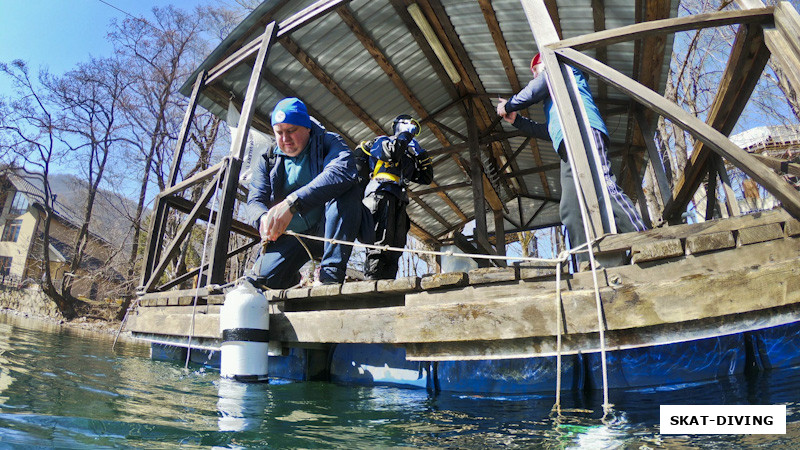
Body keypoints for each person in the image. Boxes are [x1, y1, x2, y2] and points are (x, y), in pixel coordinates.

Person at [497, 53, 646, 264]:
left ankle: (644, 237)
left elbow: (537, 87)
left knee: (603, 186)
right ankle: (586, 261)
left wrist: (509, 105)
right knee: (570, 206)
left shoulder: (564, 70)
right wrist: (517, 121)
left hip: (584, 130)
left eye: (535, 70)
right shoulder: (554, 100)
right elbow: (549, 131)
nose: (533, 76)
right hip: (567, 144)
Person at [247, 97, 364, 288]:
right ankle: (292, 278)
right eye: (279, 132)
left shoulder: (329, 142)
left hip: (329, 229)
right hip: (293, 236)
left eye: (291, 130)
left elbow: (342, 171)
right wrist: (262, 218)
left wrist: (292, 203)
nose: (285, 139)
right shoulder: (267, 159)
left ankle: (331, 274)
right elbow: (254, 201)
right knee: (262, 281)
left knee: (347, 187)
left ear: (307, 127)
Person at [357, 115, 433, 280]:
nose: (412, 129)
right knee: (379, 244)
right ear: (398, 125)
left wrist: (421, 154)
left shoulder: (406, 155)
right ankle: (371, 284)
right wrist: (404, 136)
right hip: (380, 193)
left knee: (396, 247)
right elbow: (391, 154)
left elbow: (426, 178)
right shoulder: (382, 141)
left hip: (399, 199)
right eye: (409, 125)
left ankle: (388, 286)